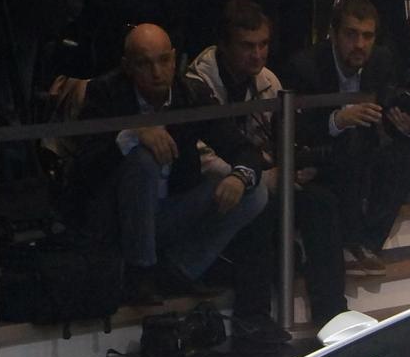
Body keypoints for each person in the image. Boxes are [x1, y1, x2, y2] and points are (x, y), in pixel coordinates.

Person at [70, 24, 272, 307]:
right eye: (144, 63)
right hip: (120, 221)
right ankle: (140, 272)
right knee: (144, 157)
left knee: (255, 189)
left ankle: (179, 270)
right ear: (127, 66)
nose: (156, 72)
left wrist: (239, 177)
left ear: (175, 59)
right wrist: (132, 134)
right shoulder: (105, 93)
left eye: (164, 60)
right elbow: (83, 170)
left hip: (172, 210)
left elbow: (241, 148)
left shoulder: (190, 93)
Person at [186, 0, 346, 341]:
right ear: (224, 45)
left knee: (322, 202)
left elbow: (284, 136)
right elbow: (198, 150)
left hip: (261, 172)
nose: (257, 55)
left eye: (263, 45)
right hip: (210, 181)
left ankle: (332, 311)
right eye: (247, 46)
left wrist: (291, 166)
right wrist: (253, 174)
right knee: (258, 201)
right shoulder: (196, 83)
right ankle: (252, 314)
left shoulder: (267, 79)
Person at [282, 0, 410, 266]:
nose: (360, 44)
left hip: (364, 147)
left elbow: (394, 107)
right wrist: (338, 120)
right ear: (334, 35)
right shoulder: (305, 66)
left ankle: (366, 243)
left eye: (367, 36)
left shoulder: (381, 60)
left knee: (409, 154)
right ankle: (349, 242)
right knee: (350, 139)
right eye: (351, 34)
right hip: (318, 154)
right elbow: (295, 128)